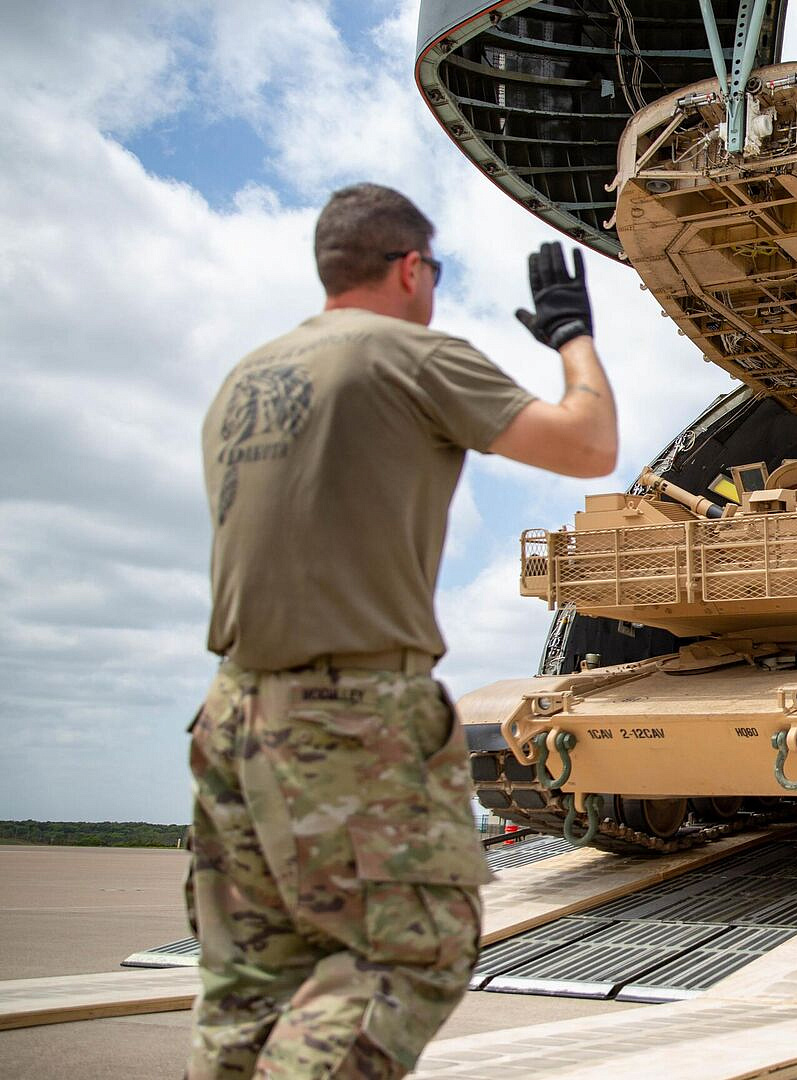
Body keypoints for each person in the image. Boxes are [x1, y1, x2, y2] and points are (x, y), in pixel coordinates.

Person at [189, 182, 619, 1078]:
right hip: (348, 709)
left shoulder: (245, 380)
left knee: (248, 985)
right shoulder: (410, 354)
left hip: (233, 711)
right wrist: (571, 335)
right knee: (412, 951)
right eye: (436, 272)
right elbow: (590, 445)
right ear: (412, 267)